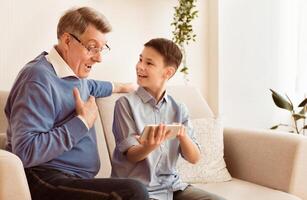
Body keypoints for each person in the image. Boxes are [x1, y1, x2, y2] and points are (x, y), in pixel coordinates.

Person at [5, 7, 148, 200]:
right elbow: (25, 151)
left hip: (74, 178)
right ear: (67, 40)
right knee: (133, 192)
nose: (98, 57)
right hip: (42, 177)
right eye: (91, 47)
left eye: (102, 48)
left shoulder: (73, 73)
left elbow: (90, 86)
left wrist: (120, 86)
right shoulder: (36, 79)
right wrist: (81, 123)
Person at [111, 38, 226, 200]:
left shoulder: (179, 109)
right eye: (140, 59)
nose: (140, 66)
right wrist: (151, 145)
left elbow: (194, 158)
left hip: (172, 187)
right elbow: (132, 155)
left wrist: (182, 134)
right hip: (138, 191)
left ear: (168, 72)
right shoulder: (125, 104)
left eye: (149, 63)